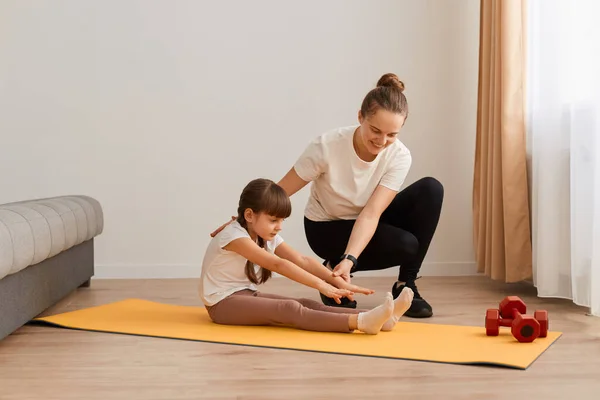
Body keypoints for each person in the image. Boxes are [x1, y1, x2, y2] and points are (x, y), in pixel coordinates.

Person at [211, 73, 443, 318]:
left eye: (392, 135)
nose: (382, 141)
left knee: (431, 189)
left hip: (366, 221)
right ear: (360, 117)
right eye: (375, 130)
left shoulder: (399, 155)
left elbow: (372, 213)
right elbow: (280, 191)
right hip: (327, 228)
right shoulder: (326, 146)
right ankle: (333, 268)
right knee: (406, 245)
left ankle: (405, 285)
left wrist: (351, 259)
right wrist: (243, 219)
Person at [200, 178, 414, 334]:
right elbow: (278, 264)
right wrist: (322, 286)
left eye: (282, 221)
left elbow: (303, 261)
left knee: (306, 303)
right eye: (274, 220)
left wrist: (337, 281)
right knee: (290, 309)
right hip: (222, 305)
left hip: (243, 295)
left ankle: (382, 318)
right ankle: (360, 322)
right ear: (249, 215)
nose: (279, 227)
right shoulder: (234, 237)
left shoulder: (265, 235)